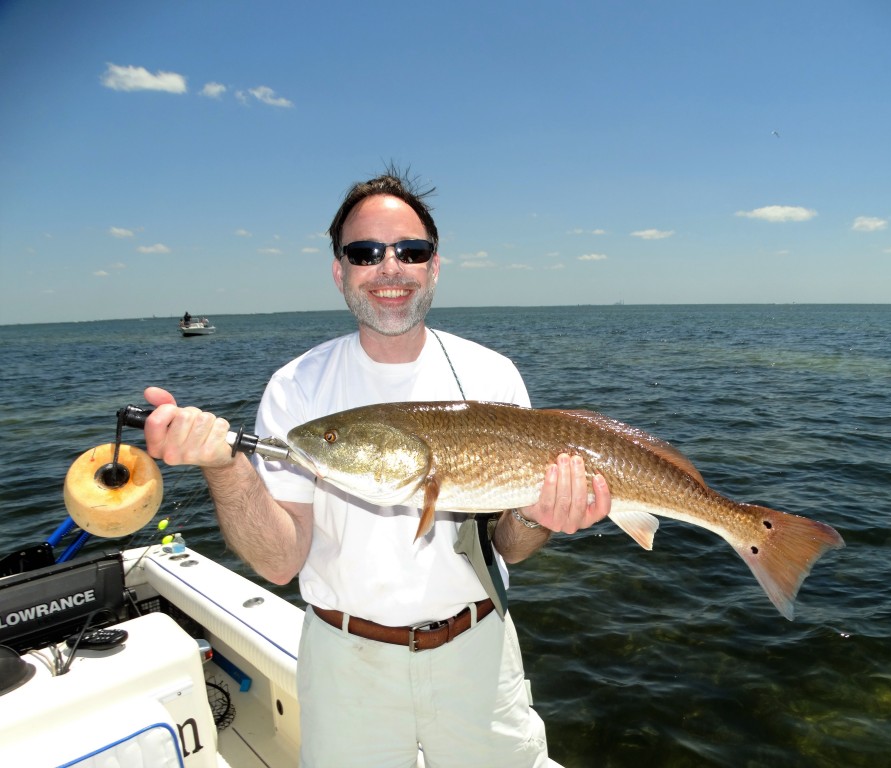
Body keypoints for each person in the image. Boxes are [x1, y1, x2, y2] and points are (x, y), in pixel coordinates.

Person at [142, 169, 612, 768]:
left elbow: (510, 548)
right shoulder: (298, 387)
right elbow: (280, 561)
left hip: (479, 651)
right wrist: (224, 466)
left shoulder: (494, 376)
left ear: (434, 266)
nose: (389, 268)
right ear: (340, 271)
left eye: (410, 251)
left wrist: (539, 516)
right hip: (345, 664)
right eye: (365, 253)